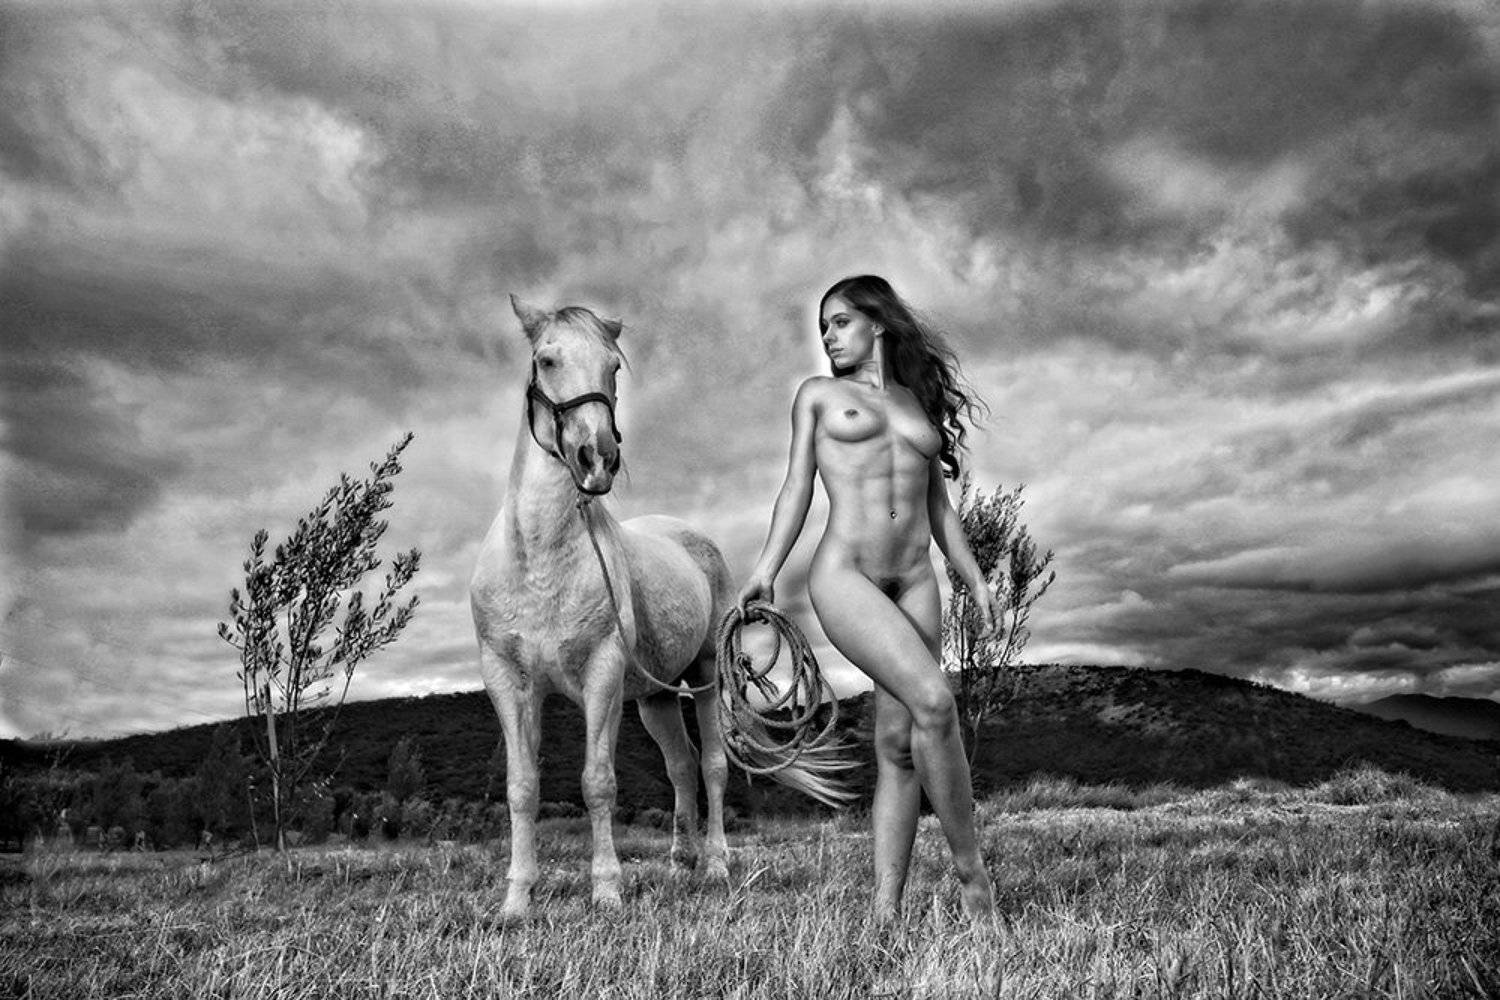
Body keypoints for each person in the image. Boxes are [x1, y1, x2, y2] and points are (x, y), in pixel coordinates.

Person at [737, 274, 996, 920]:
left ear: (878, 322)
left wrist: (974, 577)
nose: (828, 336)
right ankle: (974, 883)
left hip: (916, 580)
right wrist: (767, 568)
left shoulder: (915, 399)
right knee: (936, 701)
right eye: (823, 326)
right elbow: (796, 487)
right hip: (846, 573)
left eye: (841, 321)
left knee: (899, 745)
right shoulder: (819, 396)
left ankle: (885, 913)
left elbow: (940, 508)